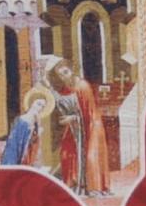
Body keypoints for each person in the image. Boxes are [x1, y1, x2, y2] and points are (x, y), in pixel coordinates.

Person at [45, 56, 110, 196]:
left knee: (91, 156)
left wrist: (72, 118)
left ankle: (94, 187)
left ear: (70, 68)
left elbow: (89, 114)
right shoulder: (64, 89)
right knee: (66, 151)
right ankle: (73, 182)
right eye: (58, 70)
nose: (62, 71)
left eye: (63, 67)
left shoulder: (82, 86)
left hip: (91, 127)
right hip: (77, 127)